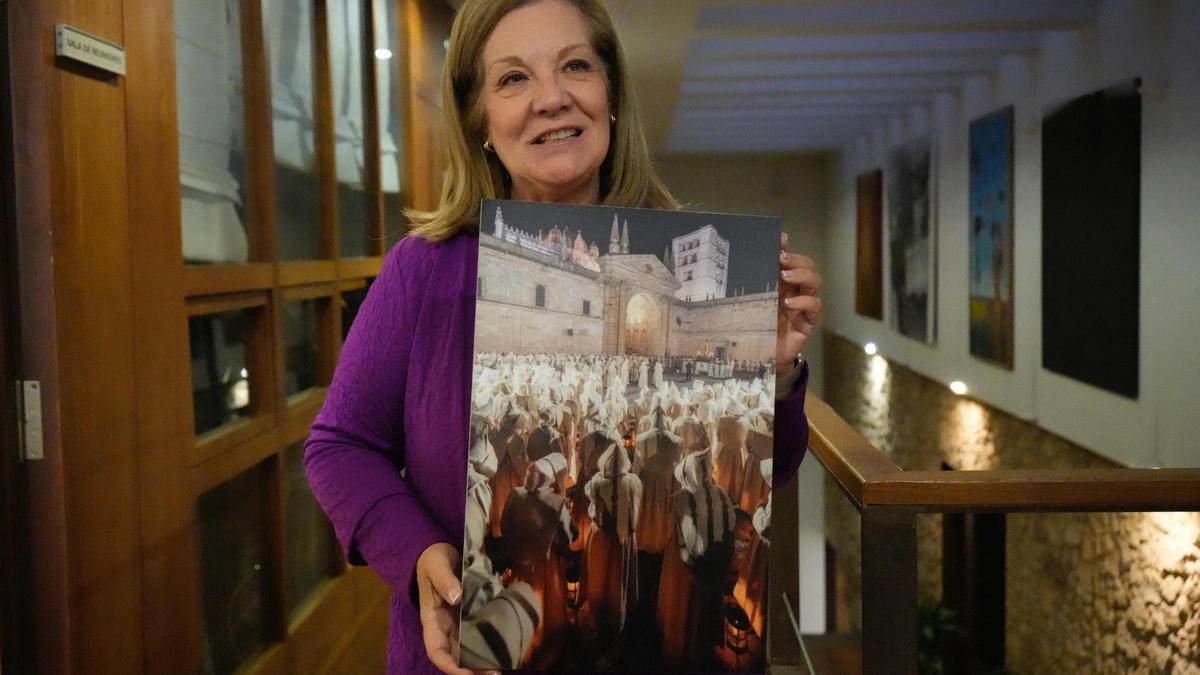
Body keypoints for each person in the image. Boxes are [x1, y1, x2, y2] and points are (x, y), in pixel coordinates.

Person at [303, 0, 823, 673]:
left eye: (575, 66)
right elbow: (339, 444)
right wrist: (419, 554)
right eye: (513, 79)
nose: (550, 98)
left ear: (610, 97)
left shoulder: (685, 275)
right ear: (480, 119)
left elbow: (758, 471)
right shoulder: (424, 269)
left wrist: (770, 374)